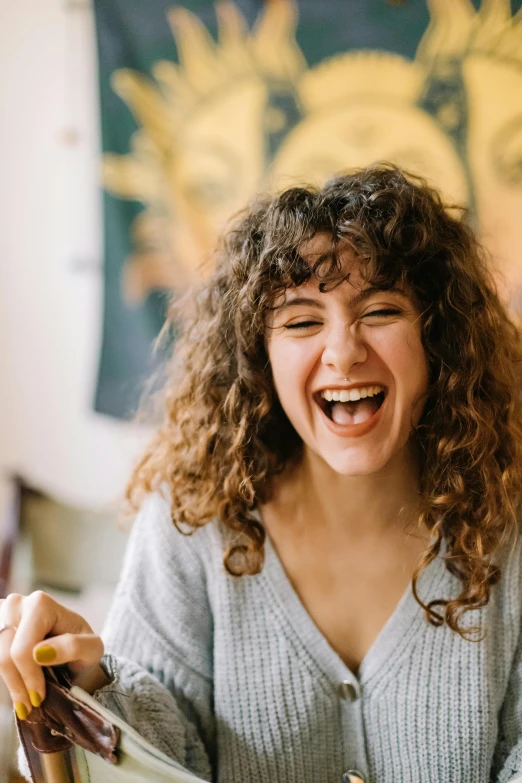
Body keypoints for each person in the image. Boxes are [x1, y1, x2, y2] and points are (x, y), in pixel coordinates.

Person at [2, 164, 522, 783]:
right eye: (302, 320)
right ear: (259, 358)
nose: (343, 350)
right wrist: (86, 684)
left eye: (380, 309)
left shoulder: (508, 525)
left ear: (438, 339)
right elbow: (159, 751)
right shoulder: (192, 523)